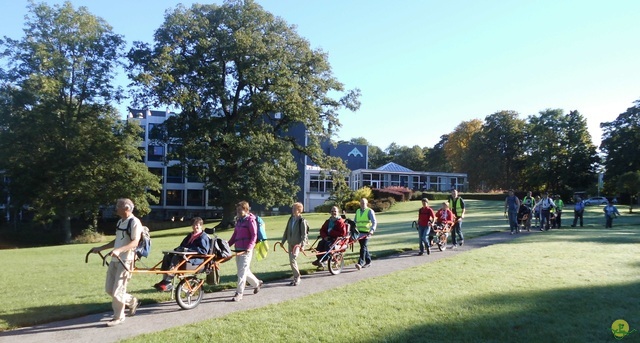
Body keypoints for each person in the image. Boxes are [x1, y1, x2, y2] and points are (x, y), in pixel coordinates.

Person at [89, 198, 142, 327]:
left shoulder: (135, 222)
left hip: (126, 260)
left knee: (118, 291)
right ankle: (131, 300)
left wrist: (119, 251)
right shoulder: (120, 222)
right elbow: (117, 240)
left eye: (118, 206)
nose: (115, 208)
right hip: (114, 259)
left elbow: (135, 242)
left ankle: (118, 317)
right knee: (109, 289)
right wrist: (100, 248)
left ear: (127, 208)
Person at [153, 217, 210, 292]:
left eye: (197, 225)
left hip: (196, 259)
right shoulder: (190, 235)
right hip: (186, 256)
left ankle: (168, 281)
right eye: (193, 225)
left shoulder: (203, 237)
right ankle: (165, 281)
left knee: (176, 258)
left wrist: (188, 250)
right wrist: (178, 249)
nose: (195, 227)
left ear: (201, 226)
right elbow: (182, 245)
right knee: (167, 256)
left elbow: (203, 250)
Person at [228, 201, 263, 301]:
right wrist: (227, 245)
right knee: (244, 271)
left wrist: (250, 247)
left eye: (240, 210)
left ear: (246, 209)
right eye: (237, 210)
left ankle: (239, 293)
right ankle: (257, 283)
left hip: (246, 251)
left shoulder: (250, 220)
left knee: (241, 273)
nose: (238, 212)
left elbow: (254, 235)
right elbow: (235, 235)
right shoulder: (239, 221)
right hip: (238, 249)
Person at [280, 202, 309, 286]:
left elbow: (304, 235)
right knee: (291, 261)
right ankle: (296, 277)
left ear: (299, 210)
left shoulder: (302, 221)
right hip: (290, 243)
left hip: (298, 244)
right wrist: (282, 241)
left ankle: (297, 277)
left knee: (293, 259)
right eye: (292, 208)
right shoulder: (291, 219)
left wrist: (303, 245)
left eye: (294, 208)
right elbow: (286, 231)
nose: (292, 210)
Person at [354, 198, 377, 270]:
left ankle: (360, 263)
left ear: (366, 203)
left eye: (364, 203)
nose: (362, 204)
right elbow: (355, 222)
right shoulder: (357, 211)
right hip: (359, 233)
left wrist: (372, 230)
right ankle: (368, 261)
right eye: (361, 203)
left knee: (363, 247)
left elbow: (374, 222)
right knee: (364, 247)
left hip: (366, 232)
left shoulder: (369, 211)